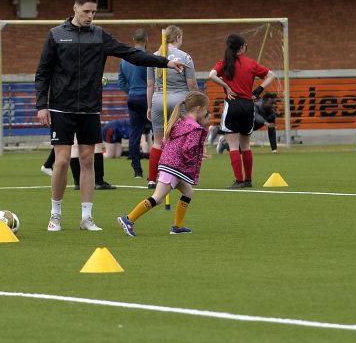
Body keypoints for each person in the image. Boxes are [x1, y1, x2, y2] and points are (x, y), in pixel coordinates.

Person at [35, 0, 186, 232]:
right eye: (86, 11)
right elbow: (43, 72)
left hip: (90, 107)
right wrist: (42, 105)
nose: (90, 16)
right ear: (75, 8)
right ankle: (56, 214)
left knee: (87, 160)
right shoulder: (56, 35)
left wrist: (165, 62)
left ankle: (87, 218)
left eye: (94, 12)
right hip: (61, 107)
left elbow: (131, 54)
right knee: (61, 161)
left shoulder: (99, 36)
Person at [117, 91, 210, 237]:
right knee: (158, 198)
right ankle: (128, 219)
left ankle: (177, 227)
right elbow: (187, 149)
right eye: (205, 109)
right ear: (198, 108)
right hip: (174, 167)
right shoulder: (195, 129)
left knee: (188, 193)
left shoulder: (180, 122)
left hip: (169, 164)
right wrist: (196, 156)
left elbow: (166, 142)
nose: (206, 112)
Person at [208, 34, 276, 189]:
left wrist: (226, 86)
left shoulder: (224, 62)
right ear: (242, 47)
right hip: (247, 105)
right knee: (246, 146)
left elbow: (211, 75)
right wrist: (258, 90)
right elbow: (271, 75)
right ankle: (248, 180)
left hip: (232, 104)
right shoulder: (251, 63)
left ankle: (238, 181)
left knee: (233, 146)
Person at [146, 25, 197, 188]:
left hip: (159, 100)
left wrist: (149, 106)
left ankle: (152, 178)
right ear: (178, 38)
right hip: (180, 100)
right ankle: (179, 176)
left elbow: (150, 85)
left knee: (157, 141)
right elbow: (192, 85)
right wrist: (195, 103)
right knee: (181, 139)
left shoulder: (153, 56)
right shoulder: (185, 57)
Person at [118, 28, 150, 178]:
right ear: (146, 40)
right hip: (147, 98)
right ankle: (161, 169)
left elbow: (121, 82)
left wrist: (131, 91)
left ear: (133, 40)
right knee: (158, 132)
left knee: (135, 134)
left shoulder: (124, 59)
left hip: (132, 98)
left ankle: (137, 170)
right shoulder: (148, 58)